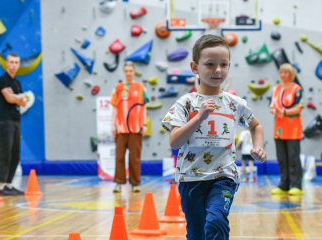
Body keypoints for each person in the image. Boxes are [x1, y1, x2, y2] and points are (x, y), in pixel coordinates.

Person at [161, 34, 266, 239]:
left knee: (216, 221)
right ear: (195, 67)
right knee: (197, 232)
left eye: (223, 64)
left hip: (223, 177)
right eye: (210, 64)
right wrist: (199, 118)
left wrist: (258, 146)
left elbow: (257, 126)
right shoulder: (186, 103)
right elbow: (174, 142)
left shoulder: (235, 103)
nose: (218, 70)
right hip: (190, 178)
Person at [110, 61, 149, 193]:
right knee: (119, 157)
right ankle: (118, 183)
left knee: (134, 158)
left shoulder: (140, 87)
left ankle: (135, 183)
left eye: (130, 71)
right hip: (120, 128)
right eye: (126, 71)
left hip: (136, 128)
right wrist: (113, 125)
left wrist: (144, 124)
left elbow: (144, 107)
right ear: (123, 72)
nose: (128, 73)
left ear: (134, 72)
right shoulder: (117, 87)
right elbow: (114, 107)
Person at [270, 63, 304, 196]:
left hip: (293, 129)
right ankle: (283, 185)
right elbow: (272, 106)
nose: (283, 75)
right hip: (279, 129)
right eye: (282, 72)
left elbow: (298, 107)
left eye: (286, 72)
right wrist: (275, 111)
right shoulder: (276, 89)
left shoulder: (297, 89)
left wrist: (283, 112)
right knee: (282, 158)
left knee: (293, 157)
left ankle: (296, 185)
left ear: (291, 74)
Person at [0, 53, 27, 196]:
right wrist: (18, 98)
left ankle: (9, 184)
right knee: (5, 152)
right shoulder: (3, 80)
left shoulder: (17, 83)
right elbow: (9, 98)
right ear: (7, 63)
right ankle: (1, 185)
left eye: (17, 62)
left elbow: (23, 102)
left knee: (15, 153)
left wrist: (18, 98)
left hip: (16, 120)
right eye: (12, 62)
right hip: (5, 120)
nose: (14, 65)